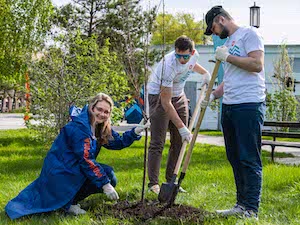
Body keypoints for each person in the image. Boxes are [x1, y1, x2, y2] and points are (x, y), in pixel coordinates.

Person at [5, 93, 149, 220]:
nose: (102, 114)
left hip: (73, 169)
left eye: (106, 112)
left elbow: (116, 142)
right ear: (92, 108)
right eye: (100, 109)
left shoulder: (99, 126)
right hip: (61, 172)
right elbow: (86, 159)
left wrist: (135, 131)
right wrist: (105, 184)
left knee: (110, 175)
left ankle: (70, 201)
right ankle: (68, 203)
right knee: (107, 177)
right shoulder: (80, 127)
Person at [203, 5, 266, 219]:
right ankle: (241, 205)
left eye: (213, 28)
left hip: (248, 104)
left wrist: (227, 58)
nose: (214, 33)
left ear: (221, 19)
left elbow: (257, 64)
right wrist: (212, 95)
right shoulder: (228, 42)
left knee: (249, 157)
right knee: (234, 157)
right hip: (229, 105)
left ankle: (251, 210)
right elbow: (229, 80)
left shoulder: (250, 33)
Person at [147, 35, 211, 194]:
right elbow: (166, 103)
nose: (182, 60)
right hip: (159, 97)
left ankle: (171, 181)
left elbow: (192, 65)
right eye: (178, 55)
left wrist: (205, 73)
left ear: (192, 52)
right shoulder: (167, 66)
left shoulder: (193, 56)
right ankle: (153, 184)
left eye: (185, 56)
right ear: (174, 52)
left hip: (179, 95)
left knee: (179, 141)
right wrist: (183, 127)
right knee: (158, 141)